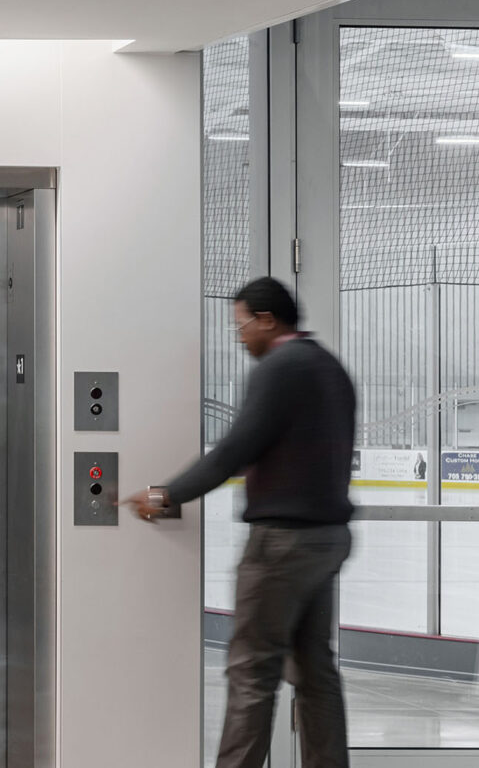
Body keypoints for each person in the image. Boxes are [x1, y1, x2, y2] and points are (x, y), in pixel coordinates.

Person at [119, 277, 356, 768]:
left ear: (267, 320)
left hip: (282, 545)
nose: (240, 336)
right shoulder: (330, 368)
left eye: (241, 325)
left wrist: (165, 495)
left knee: (252, 671)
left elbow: (234, 450)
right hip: (327, 540)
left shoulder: (280, 368)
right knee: (315, 671)